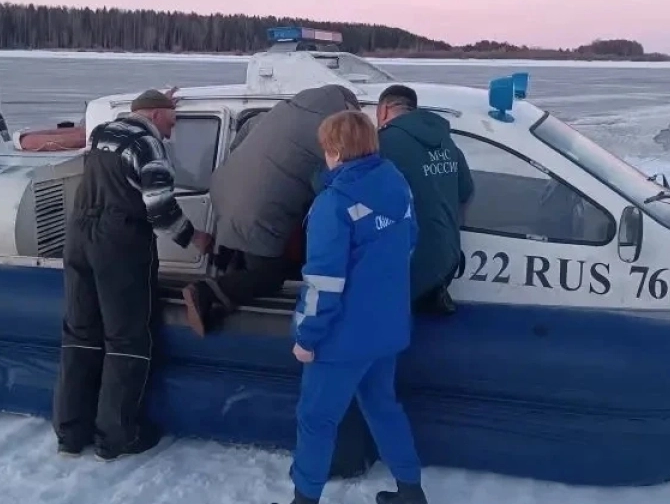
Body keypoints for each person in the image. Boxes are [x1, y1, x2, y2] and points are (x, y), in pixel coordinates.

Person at [277, 110, 428, 504]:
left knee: (316, 419)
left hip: (341, 338)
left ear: (336, 151)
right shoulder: (396, 184)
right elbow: (409, 243)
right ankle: (411, 492)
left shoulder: (334, 203)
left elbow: (324, 282)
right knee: (383, 408)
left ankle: (303, 501)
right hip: (387, 329)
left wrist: (307, 336)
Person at [54, 88, 213, 461]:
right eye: (171, 122)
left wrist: (162, 96)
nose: (171, 133)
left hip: (78, 236)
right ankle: (116, 437)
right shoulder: (148, 145)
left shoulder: (103, 134)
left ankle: (70, 435)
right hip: (119, 243)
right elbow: (159, 209)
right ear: (156, 116)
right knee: (126, 339)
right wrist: (195, 239)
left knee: (80, 334)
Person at [180, 84, 359, 336]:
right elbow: (339, 178)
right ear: (345, 107)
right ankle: (206, 292)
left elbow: (242, 136)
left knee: (244, 249)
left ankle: (227, 273)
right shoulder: (331, 128)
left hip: (223, 188)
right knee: (270, 275)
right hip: (260, 208)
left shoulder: (283, 110)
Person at [376, 85, 474, 315]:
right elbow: (466, 191)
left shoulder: (383, 142)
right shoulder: (447, 143)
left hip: (408, 266)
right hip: (447, 260)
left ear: (383, 110)